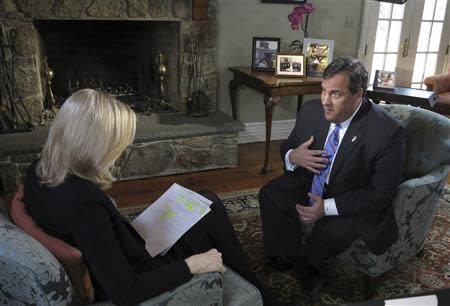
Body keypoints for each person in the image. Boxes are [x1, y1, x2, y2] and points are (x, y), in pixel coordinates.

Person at [23, 89, 280, 306]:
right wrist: (193, 264)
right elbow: (126, 291)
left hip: (128, 248)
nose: (119, 154)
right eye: (116, 146)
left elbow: (98, 241)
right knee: (210, 213)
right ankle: (259, 295)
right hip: (146, 268)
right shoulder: (85, 207)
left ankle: (256, 289)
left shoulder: (38, 170)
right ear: (92, 147)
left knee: (206, 201)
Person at [258, 56, 406, 299]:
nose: (325, 102)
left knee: (330, 233)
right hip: (313, 181)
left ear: (358, 94)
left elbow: (381, 194)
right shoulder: (311, 111)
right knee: (270, 195)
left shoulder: (388, 132)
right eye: (323, 91)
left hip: (352, 195)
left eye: (335, 94)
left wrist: (325, 208)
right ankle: (299, 262)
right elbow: (288, 147)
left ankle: (306, 265)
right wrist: (293, 157)